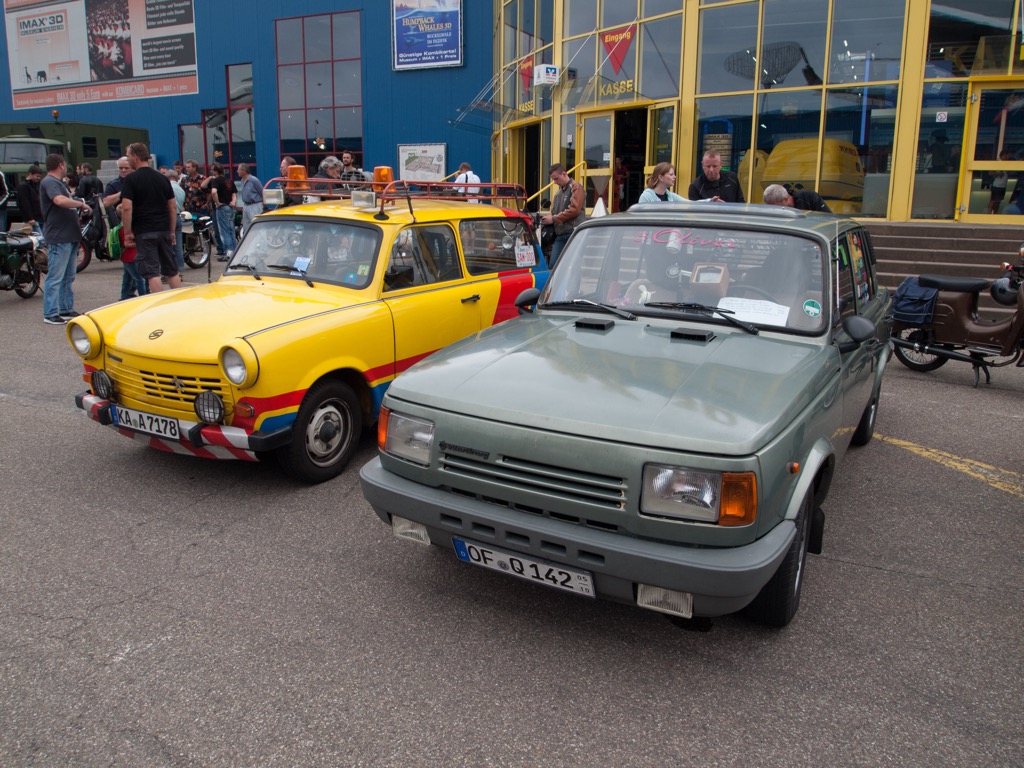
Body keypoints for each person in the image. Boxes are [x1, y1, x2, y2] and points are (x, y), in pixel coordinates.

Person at [120, 142, 180, 294]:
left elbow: (126, 207)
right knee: (171, 270)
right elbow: (172, 207)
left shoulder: (131, 179)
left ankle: (159, 303)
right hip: (164, 230)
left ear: (136, 156)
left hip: (145, 231)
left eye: (128, 157)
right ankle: (180, 302)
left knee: (152, 272)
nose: (127, 160)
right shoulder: (163, 179)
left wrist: (127, 233)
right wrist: (172, 230)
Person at [39, 153, 89, 325]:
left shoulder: (58, 183)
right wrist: (80, 203)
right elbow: (59, 201)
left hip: (69, 236)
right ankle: (50, 312)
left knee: (68, 276)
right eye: (65, 164)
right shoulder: (50, 182)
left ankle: (66, 308)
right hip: (59, 237)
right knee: (55, 276)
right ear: (60, 165)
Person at [541, 163, 585, 268]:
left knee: (573, 266)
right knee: (554, 265)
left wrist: (553, 218)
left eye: (556, 179)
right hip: (561, 234)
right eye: (553, 180)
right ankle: (556, 285)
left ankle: (573, 285)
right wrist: (550, 217)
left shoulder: (576, 187)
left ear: (564, 174)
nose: (555, 182)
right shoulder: (558, 193)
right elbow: (556, 212)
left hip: (574, 233)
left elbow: (575, 209)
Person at [203, 163, 237, 261]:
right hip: (230, 207)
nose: (211, 171)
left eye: (212, 170)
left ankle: (228, 253)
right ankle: (234, 252)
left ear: (215, 171)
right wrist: (233, 203)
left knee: (224, 231)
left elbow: (213, 192)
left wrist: (217, 203)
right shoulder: (229, 180)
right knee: (231, 230)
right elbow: (234, 193)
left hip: (221, 208)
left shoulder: (216, 181)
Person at [166, 169, 186, 272]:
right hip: (178, 216)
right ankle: (180, 268)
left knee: (168, 246)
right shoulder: (181, 189)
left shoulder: (167, 188)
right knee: (178, 245)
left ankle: (170, 270)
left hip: (169, 217)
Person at [762, 183, 832, 212]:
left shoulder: (810, 198)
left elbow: (828, 219)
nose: (775, 210)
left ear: (785, 199)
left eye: (776, 206)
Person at [237, 163, 264, 237]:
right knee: (246, 227)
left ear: (244, 170)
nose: (237, 171)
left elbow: (262, 192)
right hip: (246, 205)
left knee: (256, 226)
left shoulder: (254, 180)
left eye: (239, 170)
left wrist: (263, 205)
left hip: (254, 205)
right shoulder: (242, 180)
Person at [16, 165, 43, 236]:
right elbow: (24, 203)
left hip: (39, 217)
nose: (38, 178)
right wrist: (29, 218)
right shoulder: (23, 187)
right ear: (30, 174)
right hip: (32, 218)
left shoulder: (35, 185)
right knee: (39, 238)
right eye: (37, 176)